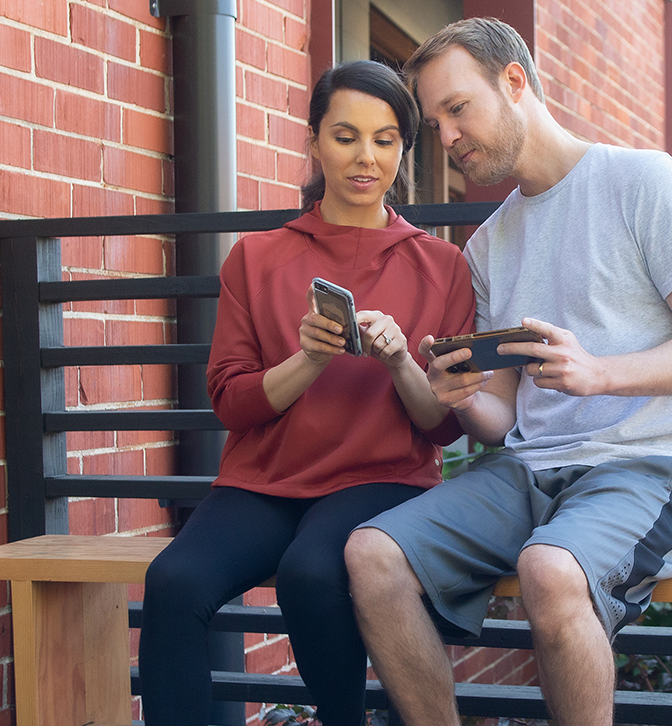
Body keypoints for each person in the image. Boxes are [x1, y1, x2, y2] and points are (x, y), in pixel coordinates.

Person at [343, 17, 672, 726]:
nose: (447, 136)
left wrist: (599, 373)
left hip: (647, 466)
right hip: (529, 473)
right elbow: (501, 419)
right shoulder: (490, 242)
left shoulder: (641, 181)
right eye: (435, 122)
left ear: (515, 81)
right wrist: (461, 397)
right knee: (371, 555)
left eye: (457, 109)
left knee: (549, 571)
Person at [138, 60, 475, 726]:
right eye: (345, 135)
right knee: (172, 583)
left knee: (312, 573)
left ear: (404, 148)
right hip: (262, 482)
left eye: (385, 139)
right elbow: (231, 402)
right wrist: (310, 358)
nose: (365, 157)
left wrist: (402, 359)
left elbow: (441, 427)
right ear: (315, 141)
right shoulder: (256, 257)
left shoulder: (442, 265)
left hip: (380, 478)